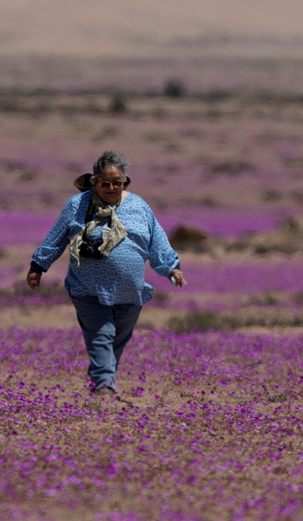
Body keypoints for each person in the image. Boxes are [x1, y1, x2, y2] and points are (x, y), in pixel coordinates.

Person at [27, 150, 185, 398]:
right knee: (102, 334)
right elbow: (56, 237)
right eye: (105, 183)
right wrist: (38, 266)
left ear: (125, 182)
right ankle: (104, 387)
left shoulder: (138, 206)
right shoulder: (77, 205)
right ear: (94, 183)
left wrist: (171, 267)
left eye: (117, 183)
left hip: (129, 290)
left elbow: (157, 240)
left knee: (117, 339)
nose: (111, 187)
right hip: (87, 288)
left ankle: (102, 375)